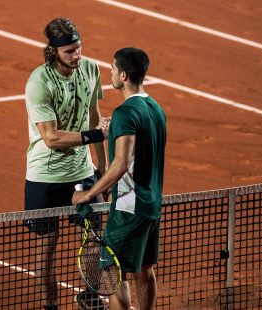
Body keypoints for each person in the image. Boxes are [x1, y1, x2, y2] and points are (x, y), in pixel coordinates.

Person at [72, 47, 167, 310]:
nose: (110, 73)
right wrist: (114, 127)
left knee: (111, 272)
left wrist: (88, 194)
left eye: (113, 69)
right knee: (145, 270)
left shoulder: (125, 113)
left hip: (128, 208)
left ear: (123, 75)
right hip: (151, 206)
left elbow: (121, 164)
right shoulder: (155, 109)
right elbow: (141, 149)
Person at [24, 18, 108, 310]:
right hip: (44, 176)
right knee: (46, 247)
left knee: (94, 239)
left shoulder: (90, 69)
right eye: (70, 51)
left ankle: (90, 296)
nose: (77, 55)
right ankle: (51, 306)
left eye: (79, 48)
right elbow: (51, 138)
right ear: (54, 51)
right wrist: (93, 135)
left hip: (82, 172)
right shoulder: (39, 82)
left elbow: (95, 116)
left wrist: (104, 168)